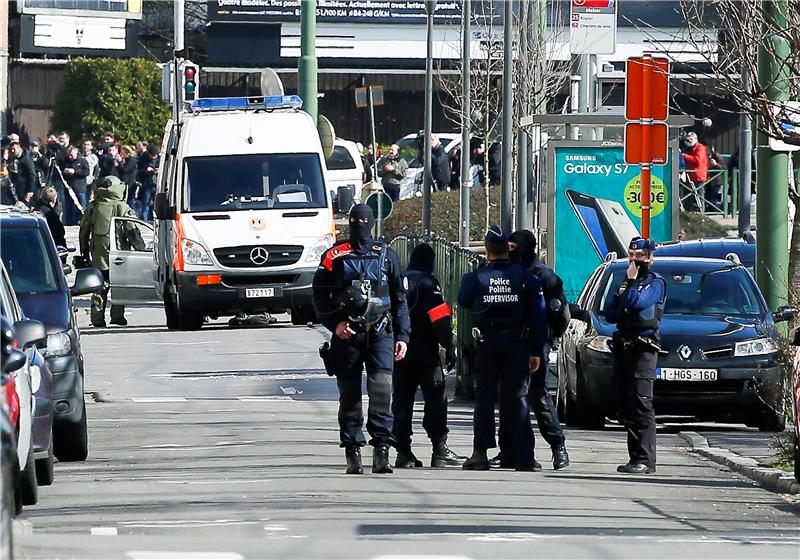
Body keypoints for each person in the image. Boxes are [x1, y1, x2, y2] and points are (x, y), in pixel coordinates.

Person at [312, 204, 410, 475]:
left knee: (381, 391)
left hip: (380, 332)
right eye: (356, 222)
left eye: (364, 222)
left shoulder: (386, 256)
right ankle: (353, 450)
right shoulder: (334, 256)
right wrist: (336, 324)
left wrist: (403, 336)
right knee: (350, 396)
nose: (360, 227)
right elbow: (319, 297)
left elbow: (400, 301)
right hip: (347, 335)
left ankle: (382, 450)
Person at [457, 225, 546, 471]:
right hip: (517, 344)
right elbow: (538, 316)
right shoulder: (525, 277)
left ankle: (480, 453)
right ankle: (524, 456)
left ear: (486, 251)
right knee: (517, 398)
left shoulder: (477, 277)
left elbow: (463, 300)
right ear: (507, 248)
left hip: (486, 344)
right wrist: (536, 350)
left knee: (484, 397)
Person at [490, 230, 570, 470]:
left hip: (534, 343)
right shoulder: (504, 272)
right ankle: (509, 451)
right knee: (507, 396)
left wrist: (551, 336)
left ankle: (558, 447)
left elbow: (559, 313)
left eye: (514, 247)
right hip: (509, 342)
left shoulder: (544, 276)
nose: (510, 251)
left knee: (537, 395)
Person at [393, 243, 465, 469]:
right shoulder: (429, 283)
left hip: (400, 351)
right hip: (425, 353)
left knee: (402, 402)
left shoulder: (400, 280)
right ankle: (439, 449)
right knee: (436, 398)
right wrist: (450, 347)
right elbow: (440, 319)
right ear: (431, 262)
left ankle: (403, 452)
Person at [603, 237, 666, 474]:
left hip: (644, 346)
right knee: (627, 402)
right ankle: (634, 457)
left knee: (641, 401)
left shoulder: (654, 282)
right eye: (630, 255)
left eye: (639, 256)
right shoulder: (625, 281)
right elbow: (611, 312)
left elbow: (636, 302)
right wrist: (626, 294)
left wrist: (629, 290)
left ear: (649, 257)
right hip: (624, 344)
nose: (633, 260)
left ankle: (646, 459)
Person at [79, 176, 144, 328]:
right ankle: (117, 316)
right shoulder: (122, 207)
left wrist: (84, 252)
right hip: (119, 255)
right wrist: (141, 249)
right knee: (119, 285)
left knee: (99, 287)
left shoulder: (94, 207)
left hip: (98, 255)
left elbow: (84, 231)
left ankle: (97, 318)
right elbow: (132, 230)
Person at [61, 146, 90, 226]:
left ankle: (83, 222)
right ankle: (68, 223)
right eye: (69, 155)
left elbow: (86, 172)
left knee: (81, 206)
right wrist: (65, 171)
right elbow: (61, 170)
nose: (70, 157)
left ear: (76, 153)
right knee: (68, 206)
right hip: (69, 187)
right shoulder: (66, 161)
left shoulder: (83, 160)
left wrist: (75, 171)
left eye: (72, 155)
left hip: (80, 188)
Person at [8, 141, 36, 206]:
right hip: (16, 189)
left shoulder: (26, 159)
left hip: (25, 189)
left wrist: (30, 190)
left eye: (14, 149)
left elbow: (31, 174)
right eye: (11, 149)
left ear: (19, 148)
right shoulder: (13, 158)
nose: (12, 151)